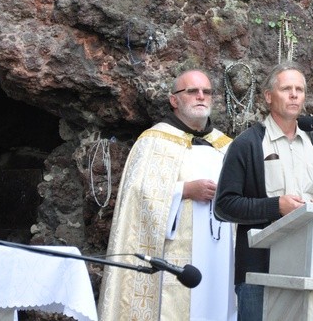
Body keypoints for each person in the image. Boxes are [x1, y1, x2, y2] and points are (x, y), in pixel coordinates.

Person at [98, 69, 236, 321]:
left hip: (220, 251)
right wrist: (185, 189)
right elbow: (137, 195)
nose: (200, 97)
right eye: (192, 91)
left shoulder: (226, 145)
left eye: (206, 92)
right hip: (174, 253)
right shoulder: (154, 141)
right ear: (174, 100)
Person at [214, 62, 313, 321]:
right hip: (259, 271)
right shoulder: (247, 144)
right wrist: (277, 206)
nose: (294, 94)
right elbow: (224, 206)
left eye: (300, 89)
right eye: (286, 89)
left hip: (309, 267)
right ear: (269, 97)